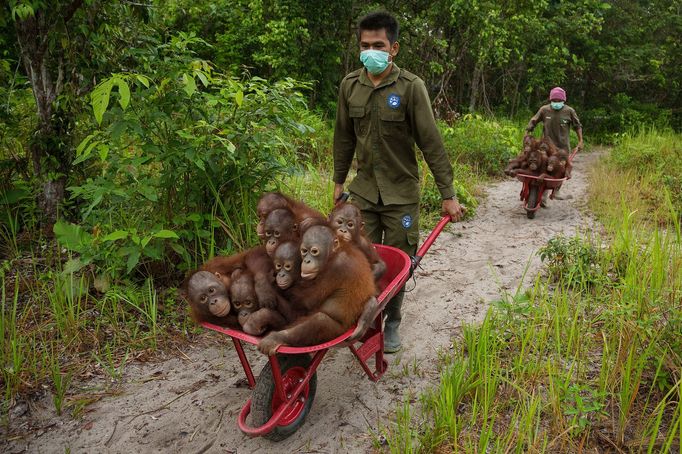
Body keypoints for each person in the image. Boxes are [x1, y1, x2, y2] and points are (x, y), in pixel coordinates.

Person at [332, 11, 464, 353]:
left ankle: (392, 322)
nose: (370, 51)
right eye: (364, 45)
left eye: (378, 45)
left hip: (401, 194)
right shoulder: (350, 86)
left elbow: (431, 142)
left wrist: (447, 194)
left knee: (400, 260)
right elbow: (343, 138)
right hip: (363, 192)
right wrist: (337, 181)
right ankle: (364, 318)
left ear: (394, 48)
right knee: (360, 259)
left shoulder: (411, 87)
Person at [525, 86, 583, 201]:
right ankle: (543, 195)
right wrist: (527, 133)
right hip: (546, 147)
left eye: (559, 101)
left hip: (563, 147)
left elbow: (577, 126)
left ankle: (556, 191)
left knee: (560, 169)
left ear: (563, 101)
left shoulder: (569, 111)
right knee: (545, 167)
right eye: (554, 101)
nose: (556, 103)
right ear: (550, 100)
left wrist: (580, 140)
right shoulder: (544, 110)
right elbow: (533, 121)